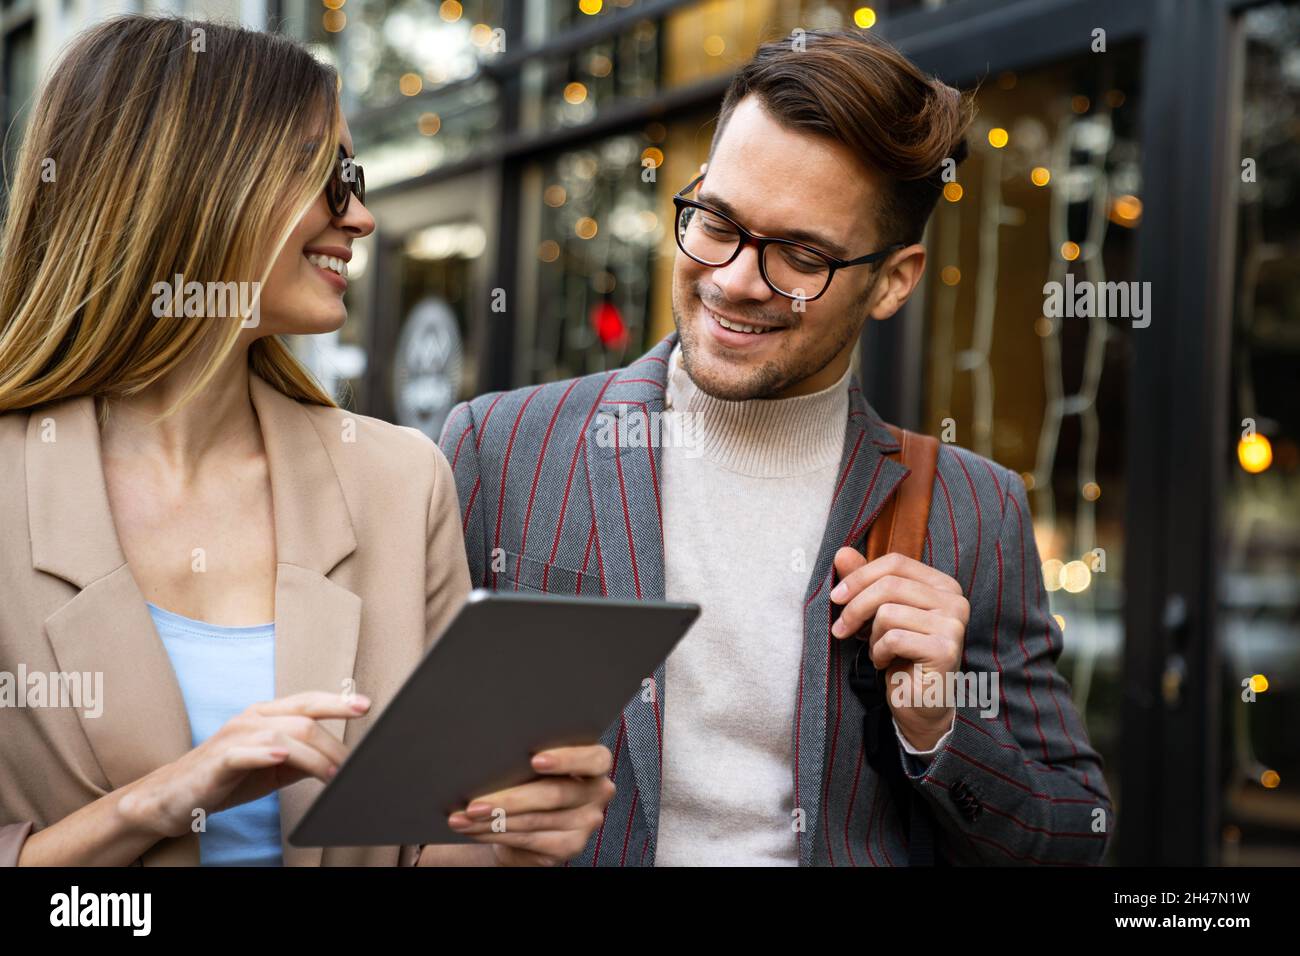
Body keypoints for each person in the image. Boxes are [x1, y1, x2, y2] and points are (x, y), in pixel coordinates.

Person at [440, 29, 1114, 865]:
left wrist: (940, 726)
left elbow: (1071, 831)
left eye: (800, 255)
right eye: (716, 220)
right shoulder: (501, 450)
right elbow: (392, 787)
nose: (732, 279)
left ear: (895, 280)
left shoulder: (973, 508)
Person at [0, 15, 612, 867]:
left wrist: (511, 836)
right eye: (329, 178)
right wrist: (159, 802)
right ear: (196, 184)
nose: (360, 216)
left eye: (352, 177)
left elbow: (419, 848)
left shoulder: (399, 481)